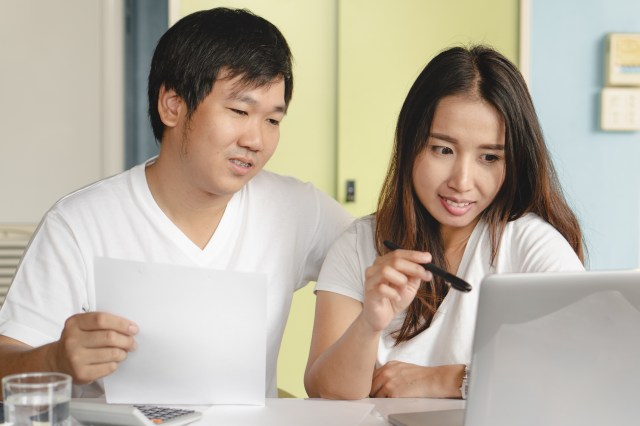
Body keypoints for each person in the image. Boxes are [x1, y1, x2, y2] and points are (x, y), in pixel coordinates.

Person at [0, 7, 352, 398]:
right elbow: (6, 361)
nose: (257, 140)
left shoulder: (297, 209)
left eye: (273, 120)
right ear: (172, 105)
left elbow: (384, 255)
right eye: (239, 111)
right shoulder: (79, 222)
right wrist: (54, 361)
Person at [304, 45, 585, 400]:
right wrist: (368, 323)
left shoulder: (530, 244)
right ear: (411, 145)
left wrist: (449, 379)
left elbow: (582, 371)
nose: (462, 181)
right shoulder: (358, 244)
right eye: (443, 150)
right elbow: (324, 393)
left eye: (488, 157)